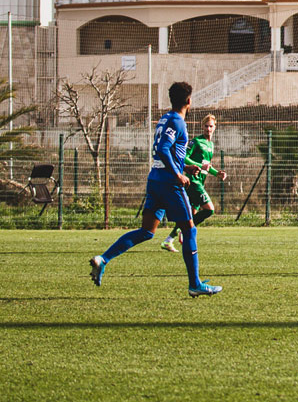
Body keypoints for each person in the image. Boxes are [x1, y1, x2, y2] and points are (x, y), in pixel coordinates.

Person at [88, 82, 220, 297]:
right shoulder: (177, 121)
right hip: (169, 183)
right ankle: (195, 284)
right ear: (188, 100)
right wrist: (178, 174)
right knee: (189, 229)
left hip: (155, 180)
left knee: (147, 232)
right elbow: (162, 149)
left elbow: (162, 151)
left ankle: (103, 259)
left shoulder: (165, 119)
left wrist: (185, 166)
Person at [160, 114, 227, 253]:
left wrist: (217, 174)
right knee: (209, 209)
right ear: (202, 127)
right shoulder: (196, 141)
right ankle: (186, 231)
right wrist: (198, 165)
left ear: (215, 127)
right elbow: (184, 158)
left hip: (201, 182)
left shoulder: (211, 144)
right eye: (206, 126)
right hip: (193, 181)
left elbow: (206, 165)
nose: (208, 129)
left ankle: (168, 240)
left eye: (211, 126)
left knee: (190, 215)